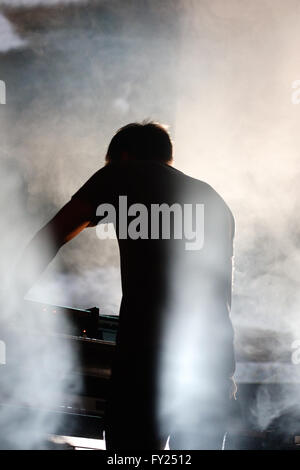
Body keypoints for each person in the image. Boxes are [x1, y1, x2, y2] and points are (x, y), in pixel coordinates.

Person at [11, 121, 236, 450]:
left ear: (124, 156)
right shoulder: (214, 199)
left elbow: (54, 234)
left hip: (147, 358)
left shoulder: (121, 174)